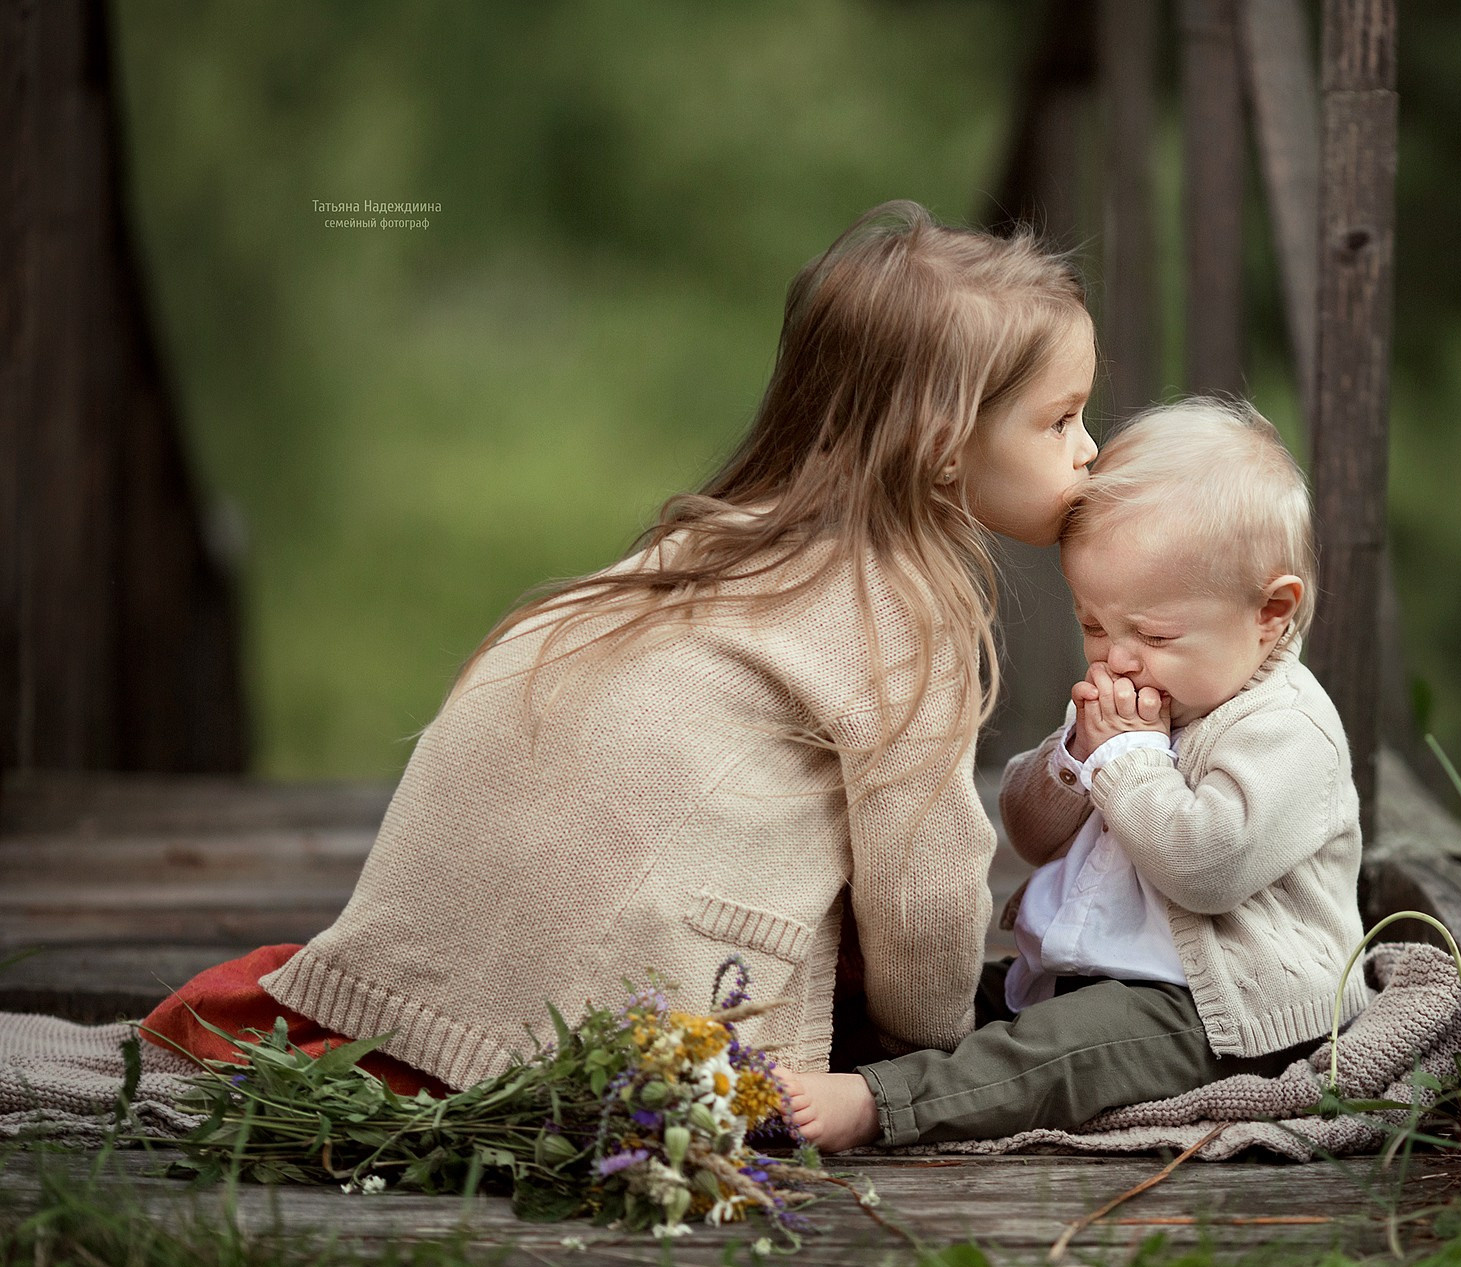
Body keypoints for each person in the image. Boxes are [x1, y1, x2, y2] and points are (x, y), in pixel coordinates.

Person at [140, 201, 1100, 1095]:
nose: (1090, 448)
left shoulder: (716, 541)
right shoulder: (902, 615)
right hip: (626, 1021)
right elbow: (927, 907)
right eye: (1061, 420)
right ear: (941, 445)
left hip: (436, 968)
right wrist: (927, 1055)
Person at [783, 397, 1372, 1150]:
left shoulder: (1286, 728)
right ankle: (822, 1043)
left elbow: (1208, 864)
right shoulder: (1139, 699)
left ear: (1270, 610)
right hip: (1082, 976)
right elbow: (1028, 835)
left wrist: (1124, 760)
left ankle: (881, 1105)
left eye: (1155, 632)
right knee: (956, 998)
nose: (1116, 655)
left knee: (1052, 1055)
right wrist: (1072, 760)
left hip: (1219, 1012)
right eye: (1093, 623)